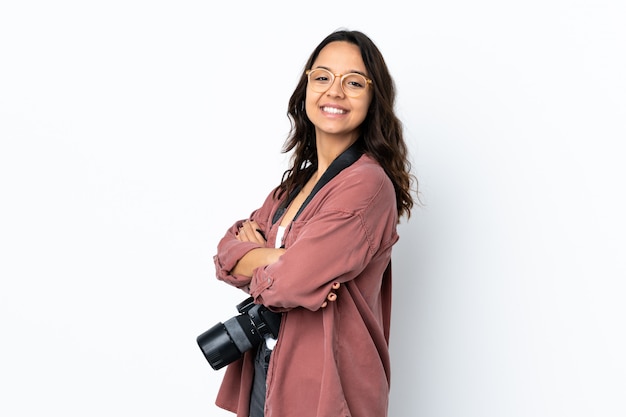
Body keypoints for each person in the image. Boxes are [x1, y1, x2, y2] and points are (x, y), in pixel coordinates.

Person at [211, 29, 417, 417]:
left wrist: (266, 260)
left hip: (327, 386)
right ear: (306, 86)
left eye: (354, 82)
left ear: (374, 99)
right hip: (266, 371)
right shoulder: (293, 186)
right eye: (322, 77)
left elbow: (288, 283)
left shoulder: (367, 185)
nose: (334, 92)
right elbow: (226, 253)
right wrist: (283, 258)